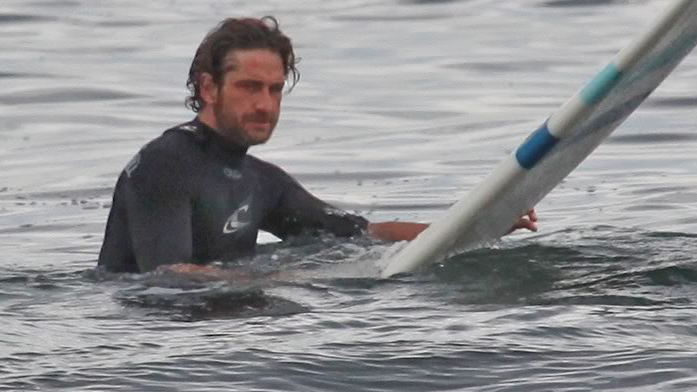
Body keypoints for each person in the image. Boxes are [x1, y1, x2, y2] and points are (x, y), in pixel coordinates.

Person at [98, 16, 536, 273]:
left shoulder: (260, 182)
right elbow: (168, 281)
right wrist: (285, 283)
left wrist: (481, 222)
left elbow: (366, 233)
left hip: (225, 338)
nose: (265, 104)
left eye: (273, 89)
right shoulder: (165, 163)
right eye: (250, 87)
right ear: (209, 88)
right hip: (151, 355)